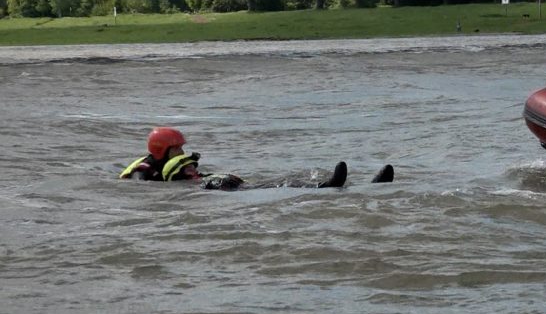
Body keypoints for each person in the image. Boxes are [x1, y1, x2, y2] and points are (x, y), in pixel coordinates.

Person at [120, 127, 394, 190]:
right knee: (273, 188)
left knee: (280, 181)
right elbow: (139, 190)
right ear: (162, 151)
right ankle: (327, 187)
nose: (182, 153)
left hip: (218, 184)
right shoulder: (143, 170)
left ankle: (350, 185)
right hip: (215, 191)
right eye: (177, 149)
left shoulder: (172, 165)